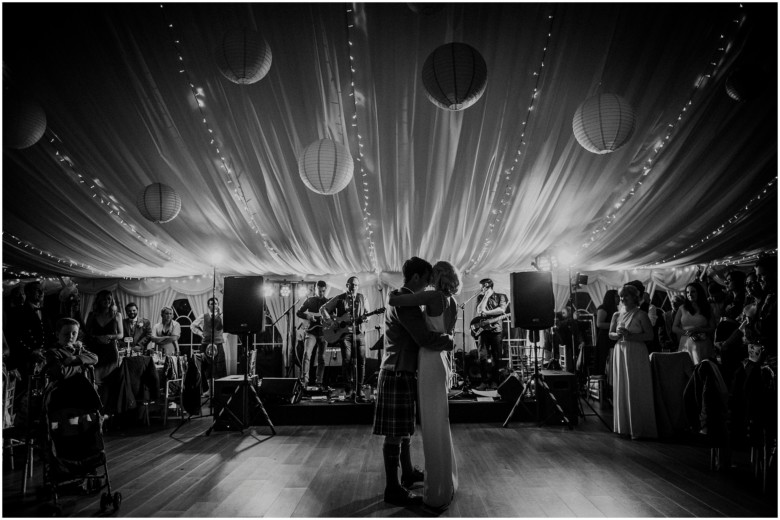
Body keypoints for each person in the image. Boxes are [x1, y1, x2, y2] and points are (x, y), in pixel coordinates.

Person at [373, 257, 452, 507]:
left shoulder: (403, 297)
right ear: (417, 277)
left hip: (400, 368)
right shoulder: (404, 301)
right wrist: (447, 343)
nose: (429, 284)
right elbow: (423, 338)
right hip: (398, 370)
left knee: (403, 429)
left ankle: (406, 474)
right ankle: (392, 488)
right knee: (395, 433)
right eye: (427, 278)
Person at [608, 285, 657, 439]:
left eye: (626, 296)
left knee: (636, 386)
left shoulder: (641, 314)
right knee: (622, 386)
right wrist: (617, 335)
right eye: (621, 296)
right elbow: (610, 333)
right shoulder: (617, 314)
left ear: (634, 298)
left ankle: (640, 427)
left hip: (636, 352)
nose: (622, 299)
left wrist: (631, 336)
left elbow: (650, 336)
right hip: (620, 351)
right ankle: (624, 426)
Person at [320, 276, 370, 401]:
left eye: (356, 285)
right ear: (347, 285)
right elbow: (323, 309)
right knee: (347, 361)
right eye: (352, 284)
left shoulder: (362, 298)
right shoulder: (339, 298)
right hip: (345, 334)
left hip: (358, 333)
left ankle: (359, 390)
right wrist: (331, 322)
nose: (354, 287)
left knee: (361, 362)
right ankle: (349, 390)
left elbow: (367, 314)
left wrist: (365, 318)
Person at [474, 278, 509, 389]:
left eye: (482, 287)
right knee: (482, 357)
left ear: (487, 286)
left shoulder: (501, 296)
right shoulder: (481, 297)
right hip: (483, 331)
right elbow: (479, 310)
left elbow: (501, 310)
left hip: (496, 330)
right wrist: (486, 296)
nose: (480, 289)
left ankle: (494, 381)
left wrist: (487, 312)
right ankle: (484, 382)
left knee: (496, 356)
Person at [84, 289, 123, 386]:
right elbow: (87, 333)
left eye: (109, 299)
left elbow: (121, 334)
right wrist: (97, 337)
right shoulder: (92, 315)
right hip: (96, 350)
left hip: (111, 351)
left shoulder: (117, 315)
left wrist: (110, 336)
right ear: (99, 301)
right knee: (95, 379)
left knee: (111, 381)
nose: (107, 301)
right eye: (104, 299)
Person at [296, 281, 330, 389]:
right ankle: (304, 382)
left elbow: (333, 316)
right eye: (319, 291)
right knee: (307, 355)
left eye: (323, 291)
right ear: (315, 289)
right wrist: (308, 317)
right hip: (311, 331)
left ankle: (319, 382)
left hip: (324, 333)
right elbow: (298, 312)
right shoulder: (309, 300)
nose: (321, 293)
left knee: (322, 359)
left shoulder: (328, 302)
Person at [673, 282, 716, 365]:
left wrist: (698, 329)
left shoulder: (707, 307)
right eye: (687, 292)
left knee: (703, 368)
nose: (690, 294)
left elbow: (713, 327)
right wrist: (688, 333)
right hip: (686, 342)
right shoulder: (682, 308)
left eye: (693, 292)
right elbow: (674, 327)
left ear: (699, 292)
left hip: (703, 342)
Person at [43, 318, 98, 383]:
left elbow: (94, 358)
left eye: (74, 333)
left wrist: (75, 358)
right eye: (66, 334)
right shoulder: (53, 352)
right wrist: (80, 366)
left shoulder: (77, 348)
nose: (70, 337)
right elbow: (61, 373)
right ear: (57, 334)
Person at [191, 297, 226, 395]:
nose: (214, 305)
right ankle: (208, 390)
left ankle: (218, 390)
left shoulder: (222, 316)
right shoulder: (203, 316)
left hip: (218, 344)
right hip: (206, 344)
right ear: (208, 306)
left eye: (215, 303)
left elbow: (225, 326)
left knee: (219, 367)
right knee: (207, 367)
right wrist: (200, 333)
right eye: (211, 304)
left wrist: (220, 314)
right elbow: (192, 326)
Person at [596, 289, 619, 378]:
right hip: (604, 337)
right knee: (603, 359)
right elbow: (599, 324)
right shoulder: (603, 308)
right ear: (611, 297)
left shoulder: (614, 309)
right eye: (617, 296)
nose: (619, 299)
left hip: (611, 337)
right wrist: (615, 325)